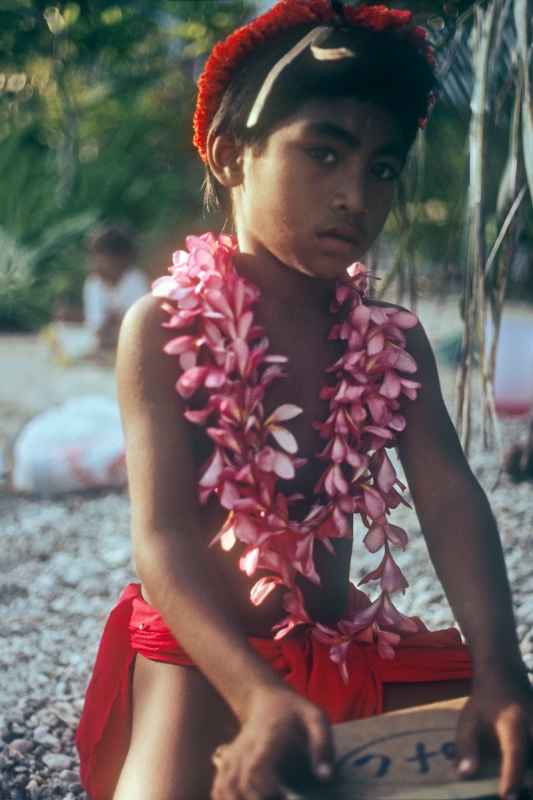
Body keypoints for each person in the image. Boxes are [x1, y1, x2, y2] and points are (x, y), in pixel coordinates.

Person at [76, 2, 533, 798]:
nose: (355, 194)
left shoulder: (388, 336)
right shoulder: (165, 327)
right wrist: (255, 693)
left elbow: (450, 497)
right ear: (230, 156)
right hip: (202, 656)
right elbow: (163, 536)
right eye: (322, 153)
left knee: (506, 751)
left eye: (381, 168)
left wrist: (500, 666)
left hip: (344, 645)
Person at [83, 224, 148, 352]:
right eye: (93, 255)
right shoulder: (93, 284)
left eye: (101, 256)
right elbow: (97, 329)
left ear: (121, 258)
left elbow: (138, 329)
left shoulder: (135, 281)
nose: (94, 262)